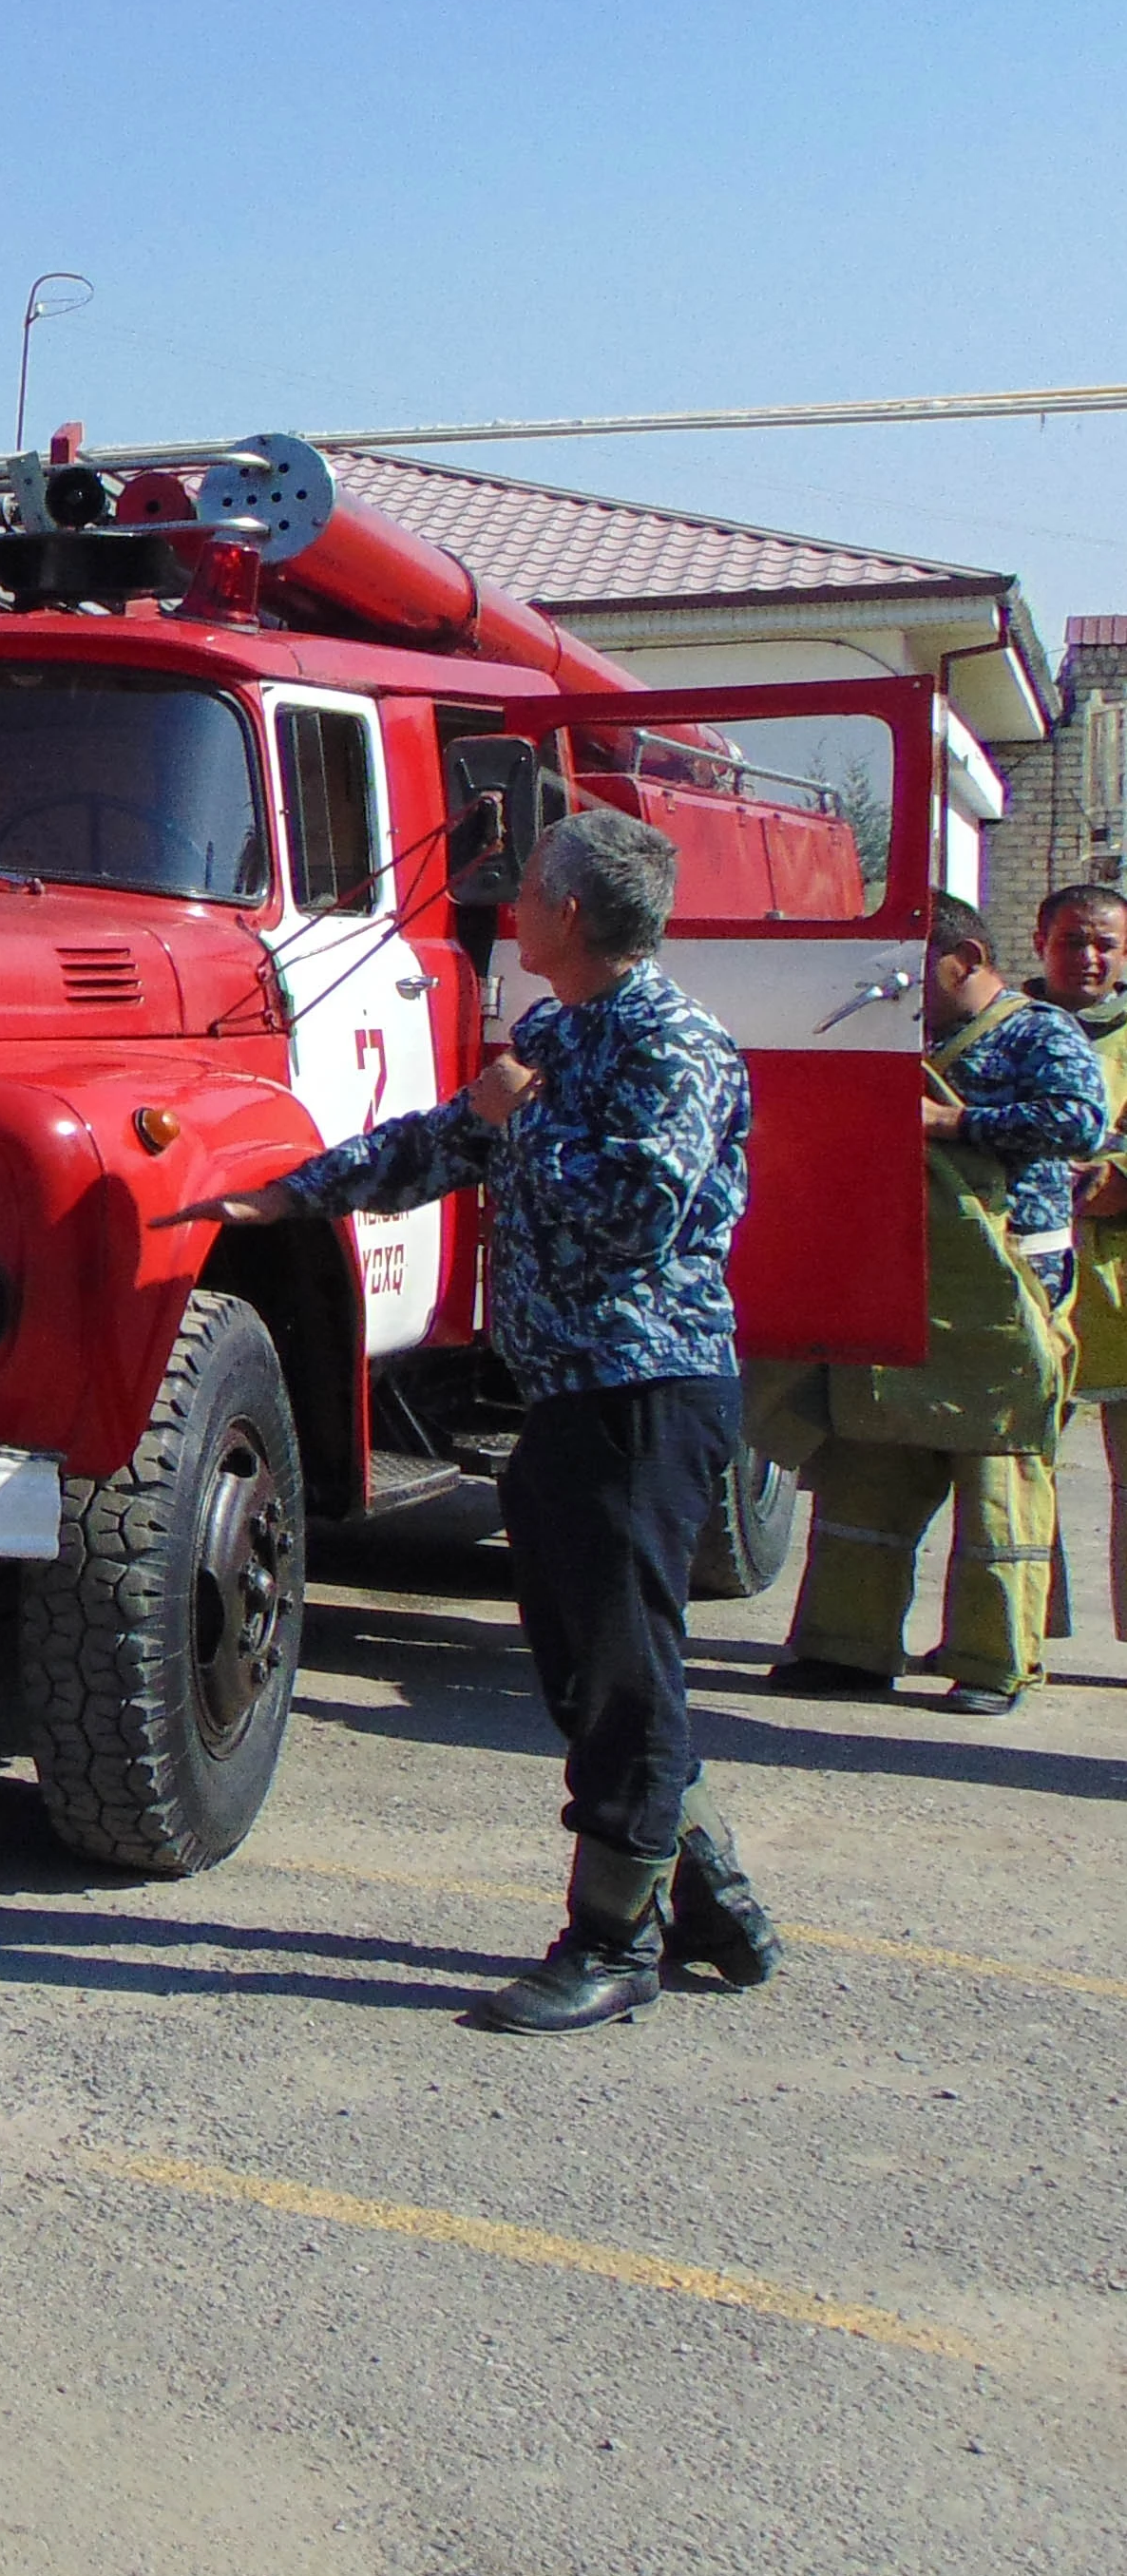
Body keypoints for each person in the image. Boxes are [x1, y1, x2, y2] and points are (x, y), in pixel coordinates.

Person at [193, 809, 775, 2032]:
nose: (511, 898)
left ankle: (614, 1941)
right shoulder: (560, 1032)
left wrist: (522, 1124)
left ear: (571, 913)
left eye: (532, 886)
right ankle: (704, 1891)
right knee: (589, 1669)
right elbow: (441, 1145)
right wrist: (285, 1198)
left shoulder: (674, 1043)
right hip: (569, 1397)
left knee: (620, 1670)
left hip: (643, 1394)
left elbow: (634, 1215)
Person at [769, 895, 1100, 1714]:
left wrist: (949, 1121)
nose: (906, 987)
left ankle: (993, 1663)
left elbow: (1079, 1121)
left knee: (997, 1481)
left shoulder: (1039, 1032)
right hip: (902, 1280)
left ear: (967, 957)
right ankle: (846, 1648)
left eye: (920, 969)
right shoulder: (903, 1035)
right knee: (871, 1463)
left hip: (1007, 1289)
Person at [1026, 880, 1127, 1632]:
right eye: (1071, 940)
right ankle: (1026, 1627)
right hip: (1030, 1280)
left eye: (1104, 944)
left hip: (1120, 1283)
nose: (1087, 958)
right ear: (1040, 944)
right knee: (1023, 1466)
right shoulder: (1007, 1029)